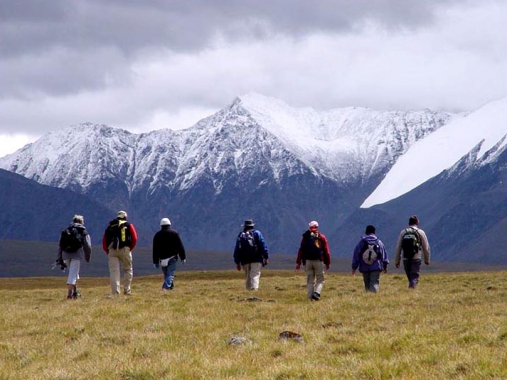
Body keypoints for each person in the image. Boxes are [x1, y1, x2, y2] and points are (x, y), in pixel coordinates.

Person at [102, 210, 138, 295]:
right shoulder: (128, 225)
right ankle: (127, 290)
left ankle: (115, 292)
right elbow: (135, 238)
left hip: (112, 251)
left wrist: (108, 251)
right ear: (125, 217)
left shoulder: (110, 226)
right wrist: (129, 248)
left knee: (114, 271)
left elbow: (104, 241)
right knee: (128, 269)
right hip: (125, 249)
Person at [56, 215, 92, 299]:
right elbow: (88, 246)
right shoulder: (83, 231)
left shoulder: (67, 230)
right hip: (76, 255)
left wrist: (59, 258)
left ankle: (75, 292)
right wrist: (88, 257)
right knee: (73, 274)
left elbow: (60, 245)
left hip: (65, 255)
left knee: (73, 273)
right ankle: (69, 294)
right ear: (81, 222)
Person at [296, 221, 331, 301]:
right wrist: (327, 262)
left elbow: (301, 250)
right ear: (317, 227)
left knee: (310, 280)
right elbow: (326, 251)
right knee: (320, 279)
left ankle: (309, 298)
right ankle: (316, 293)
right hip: (318, 261)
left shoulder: (305, 237)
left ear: (309, 227)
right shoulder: (321, 237)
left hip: (308, 261)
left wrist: (298, 263)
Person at [395, 215, 430, 289]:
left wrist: (397, 260)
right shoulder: (420, 232)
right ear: (417, 222)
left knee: (410, 277)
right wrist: (426, 259)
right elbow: (426, 247)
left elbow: (398, 247)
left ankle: (411, 291)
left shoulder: (403, 232)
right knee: (414, 277)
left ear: (409, 223)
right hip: (416, 258)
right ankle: (411, 293)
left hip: (406, 258)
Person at [233, 219, 269, 291]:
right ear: (252, 226)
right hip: (256, 259)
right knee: (255, 275)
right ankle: (254, 290)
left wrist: (237, 262)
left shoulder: (241, 235)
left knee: (248, 276)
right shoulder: (257, 233)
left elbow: (237, 249)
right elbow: (263, 246)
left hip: (244, 260)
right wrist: (266, 257)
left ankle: (248, 291)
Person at [352, 225, 389, 293]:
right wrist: (385, 266)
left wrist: (354, 267)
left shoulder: (362, 242)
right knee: (374, 283)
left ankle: (368, 297)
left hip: (364, 267)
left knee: (367, 284)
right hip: (376, 267)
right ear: (374, 232)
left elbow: (356, 254)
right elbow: (383, 254)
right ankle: (373, 298)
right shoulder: (378, 242)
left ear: (366, 232)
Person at [152, 218, 186, 290]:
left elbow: (155, 249)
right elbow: (180, 246)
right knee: (170, 274)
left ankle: (170, 287)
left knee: (166, 274)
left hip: (162, 259)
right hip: (172, 257)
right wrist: (183, 257)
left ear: (161, 225)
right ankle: (166, 287)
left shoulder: (157, 235)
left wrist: (155, 261)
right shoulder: (174, 233)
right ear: (169, 224)